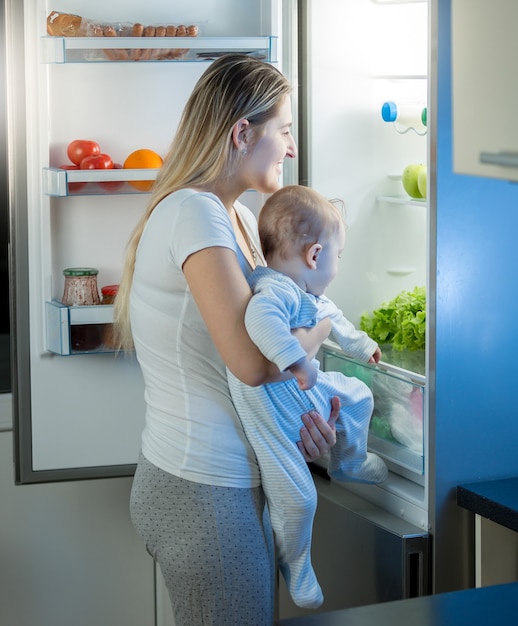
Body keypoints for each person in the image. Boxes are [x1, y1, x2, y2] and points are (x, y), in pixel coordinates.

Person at [113, 55, 340, 626]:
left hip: (211, 481)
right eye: (284, 130)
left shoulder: (231, 214)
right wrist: (327, 326)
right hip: (200, 489)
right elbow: (253, 363)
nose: (291, 147)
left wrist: (300, 425)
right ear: (243, 132)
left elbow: (260, 355)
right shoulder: (196, 213)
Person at [228, 184, 388, 610]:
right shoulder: (272, 291)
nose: (337, 266)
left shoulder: (308, 295)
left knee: (358, 395)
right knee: (300, 499)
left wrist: (363, 346)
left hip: (305, 396)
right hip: (273, 418)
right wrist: (299, 364)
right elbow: (262, 325)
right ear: (315, 256)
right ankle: (295, 565)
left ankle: (349, 460)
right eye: (338, 256)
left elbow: (334, 320)